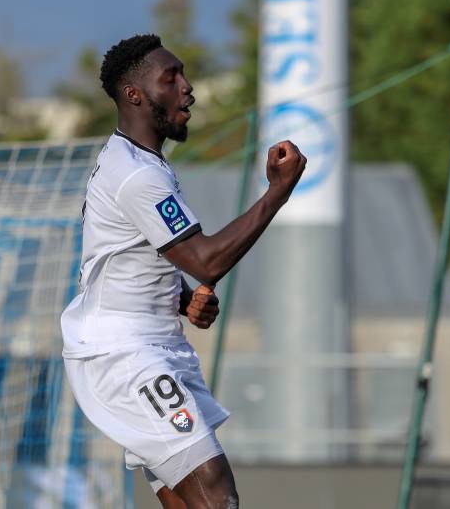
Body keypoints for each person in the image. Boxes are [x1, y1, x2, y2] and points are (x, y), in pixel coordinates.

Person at [60, 34, 306, 509]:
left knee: (187, 500)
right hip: (124, 354)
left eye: (184, 75)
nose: (187, 88)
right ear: (133, 94)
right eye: (171, 77)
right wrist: (276, 192)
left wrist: (181, 296)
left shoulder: (141, 165)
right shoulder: (137, 175)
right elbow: (207, 259)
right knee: (214, 488)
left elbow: (128, 255)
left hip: (155, 346)